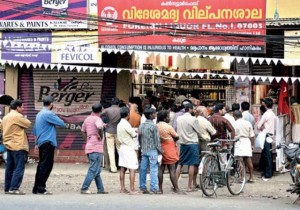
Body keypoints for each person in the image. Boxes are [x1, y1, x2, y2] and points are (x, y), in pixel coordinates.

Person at [32, 96, 65, 195]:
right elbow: (62, 123)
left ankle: (36, 187)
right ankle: (41, 188)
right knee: (46, 166)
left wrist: (36, 144)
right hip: (48, 143)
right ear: (51, 104)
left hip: (42, 142)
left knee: (41, 165)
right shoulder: (48, 114)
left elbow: (35, 131)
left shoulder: (39, 114)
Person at [1, 99, 31, 195]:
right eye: (22, 106)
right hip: (17, 145)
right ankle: (14, 188)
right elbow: (28, 124)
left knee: (9, 167)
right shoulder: (17, 116)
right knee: (19, 167)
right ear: (18, 107)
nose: (23, 108)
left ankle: (7, 188)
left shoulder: (6, 117)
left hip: (8, 145)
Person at [81, 103, 108, 194]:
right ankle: (84, 188)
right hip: (96, 147)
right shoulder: (98, 119)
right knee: (93, 169)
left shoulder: (87, 119)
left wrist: (87, 141)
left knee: (97, 169)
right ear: (100, 110)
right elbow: (99, 127)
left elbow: (83, 131)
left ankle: (100, 189)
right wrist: (100, 135)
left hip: (89, 146)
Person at [176, 103, 202, 192]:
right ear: (190, 109)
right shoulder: (193, 119)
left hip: (182, 143)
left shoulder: (179, 119)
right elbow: (198, 130)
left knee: (180, 163)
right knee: (192, 164)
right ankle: (189, 186)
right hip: (192, 143)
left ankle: (175, 185)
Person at [156, 110, 182, 194]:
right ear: (164, 118)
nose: (169, 118)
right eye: (167, 116)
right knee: (172, 169)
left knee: (160, 169)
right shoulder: (168, 127)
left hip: (160, 148)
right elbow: (176, 136)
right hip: (169, 148)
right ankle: (176, 188)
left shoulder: (156, 126)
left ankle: (160, 189)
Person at [138, 107, 162, 194]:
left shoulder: (141, 125)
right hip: (152, 150)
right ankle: (154, 188)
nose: (156, 114)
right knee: (153, 169)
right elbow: (157, 140)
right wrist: (160, 150)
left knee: (143, 169)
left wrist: (141, 147)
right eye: (154, 113)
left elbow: (139, 138)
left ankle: (142, 187)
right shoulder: (154, 126)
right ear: (151, 115)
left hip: (144, 150)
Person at [117, 106, 139, 195]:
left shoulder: (119, 124)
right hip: (129, 147)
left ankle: (122, 188)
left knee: (122, 168)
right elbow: (133, 135)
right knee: (132, 169)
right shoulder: (126, 124)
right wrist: (137, 132)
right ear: (127, 114)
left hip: (122, 147)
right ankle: (132, 189)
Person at [233, 110, 255, 183]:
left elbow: (232, 135)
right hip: (247, 141)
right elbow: (252, 135)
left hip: (238, 142)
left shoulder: (234, 123)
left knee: (239, 160)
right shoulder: (247, 123)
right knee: (248, 159)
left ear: (235, 117)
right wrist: (252, 144)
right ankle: (251, 177)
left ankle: (242, 177)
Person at [257, 98, 276, 181]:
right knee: (269, 154)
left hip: (266, 135)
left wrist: (262, 127)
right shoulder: (273, 114)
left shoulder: (266, 114)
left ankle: (267, 174)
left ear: (265, 105)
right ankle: (268, 172)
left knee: (267, 154)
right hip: (271, 135)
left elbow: (258, 126)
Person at [101, 97, 121, 173]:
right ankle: (124, 167)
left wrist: (103, 124)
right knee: (119, 149)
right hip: (118, 131)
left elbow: (98, 115)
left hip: (109, 130)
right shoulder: (121, 110)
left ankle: (113, 168)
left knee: (110, 150)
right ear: (118, 103)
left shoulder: (107, 110)